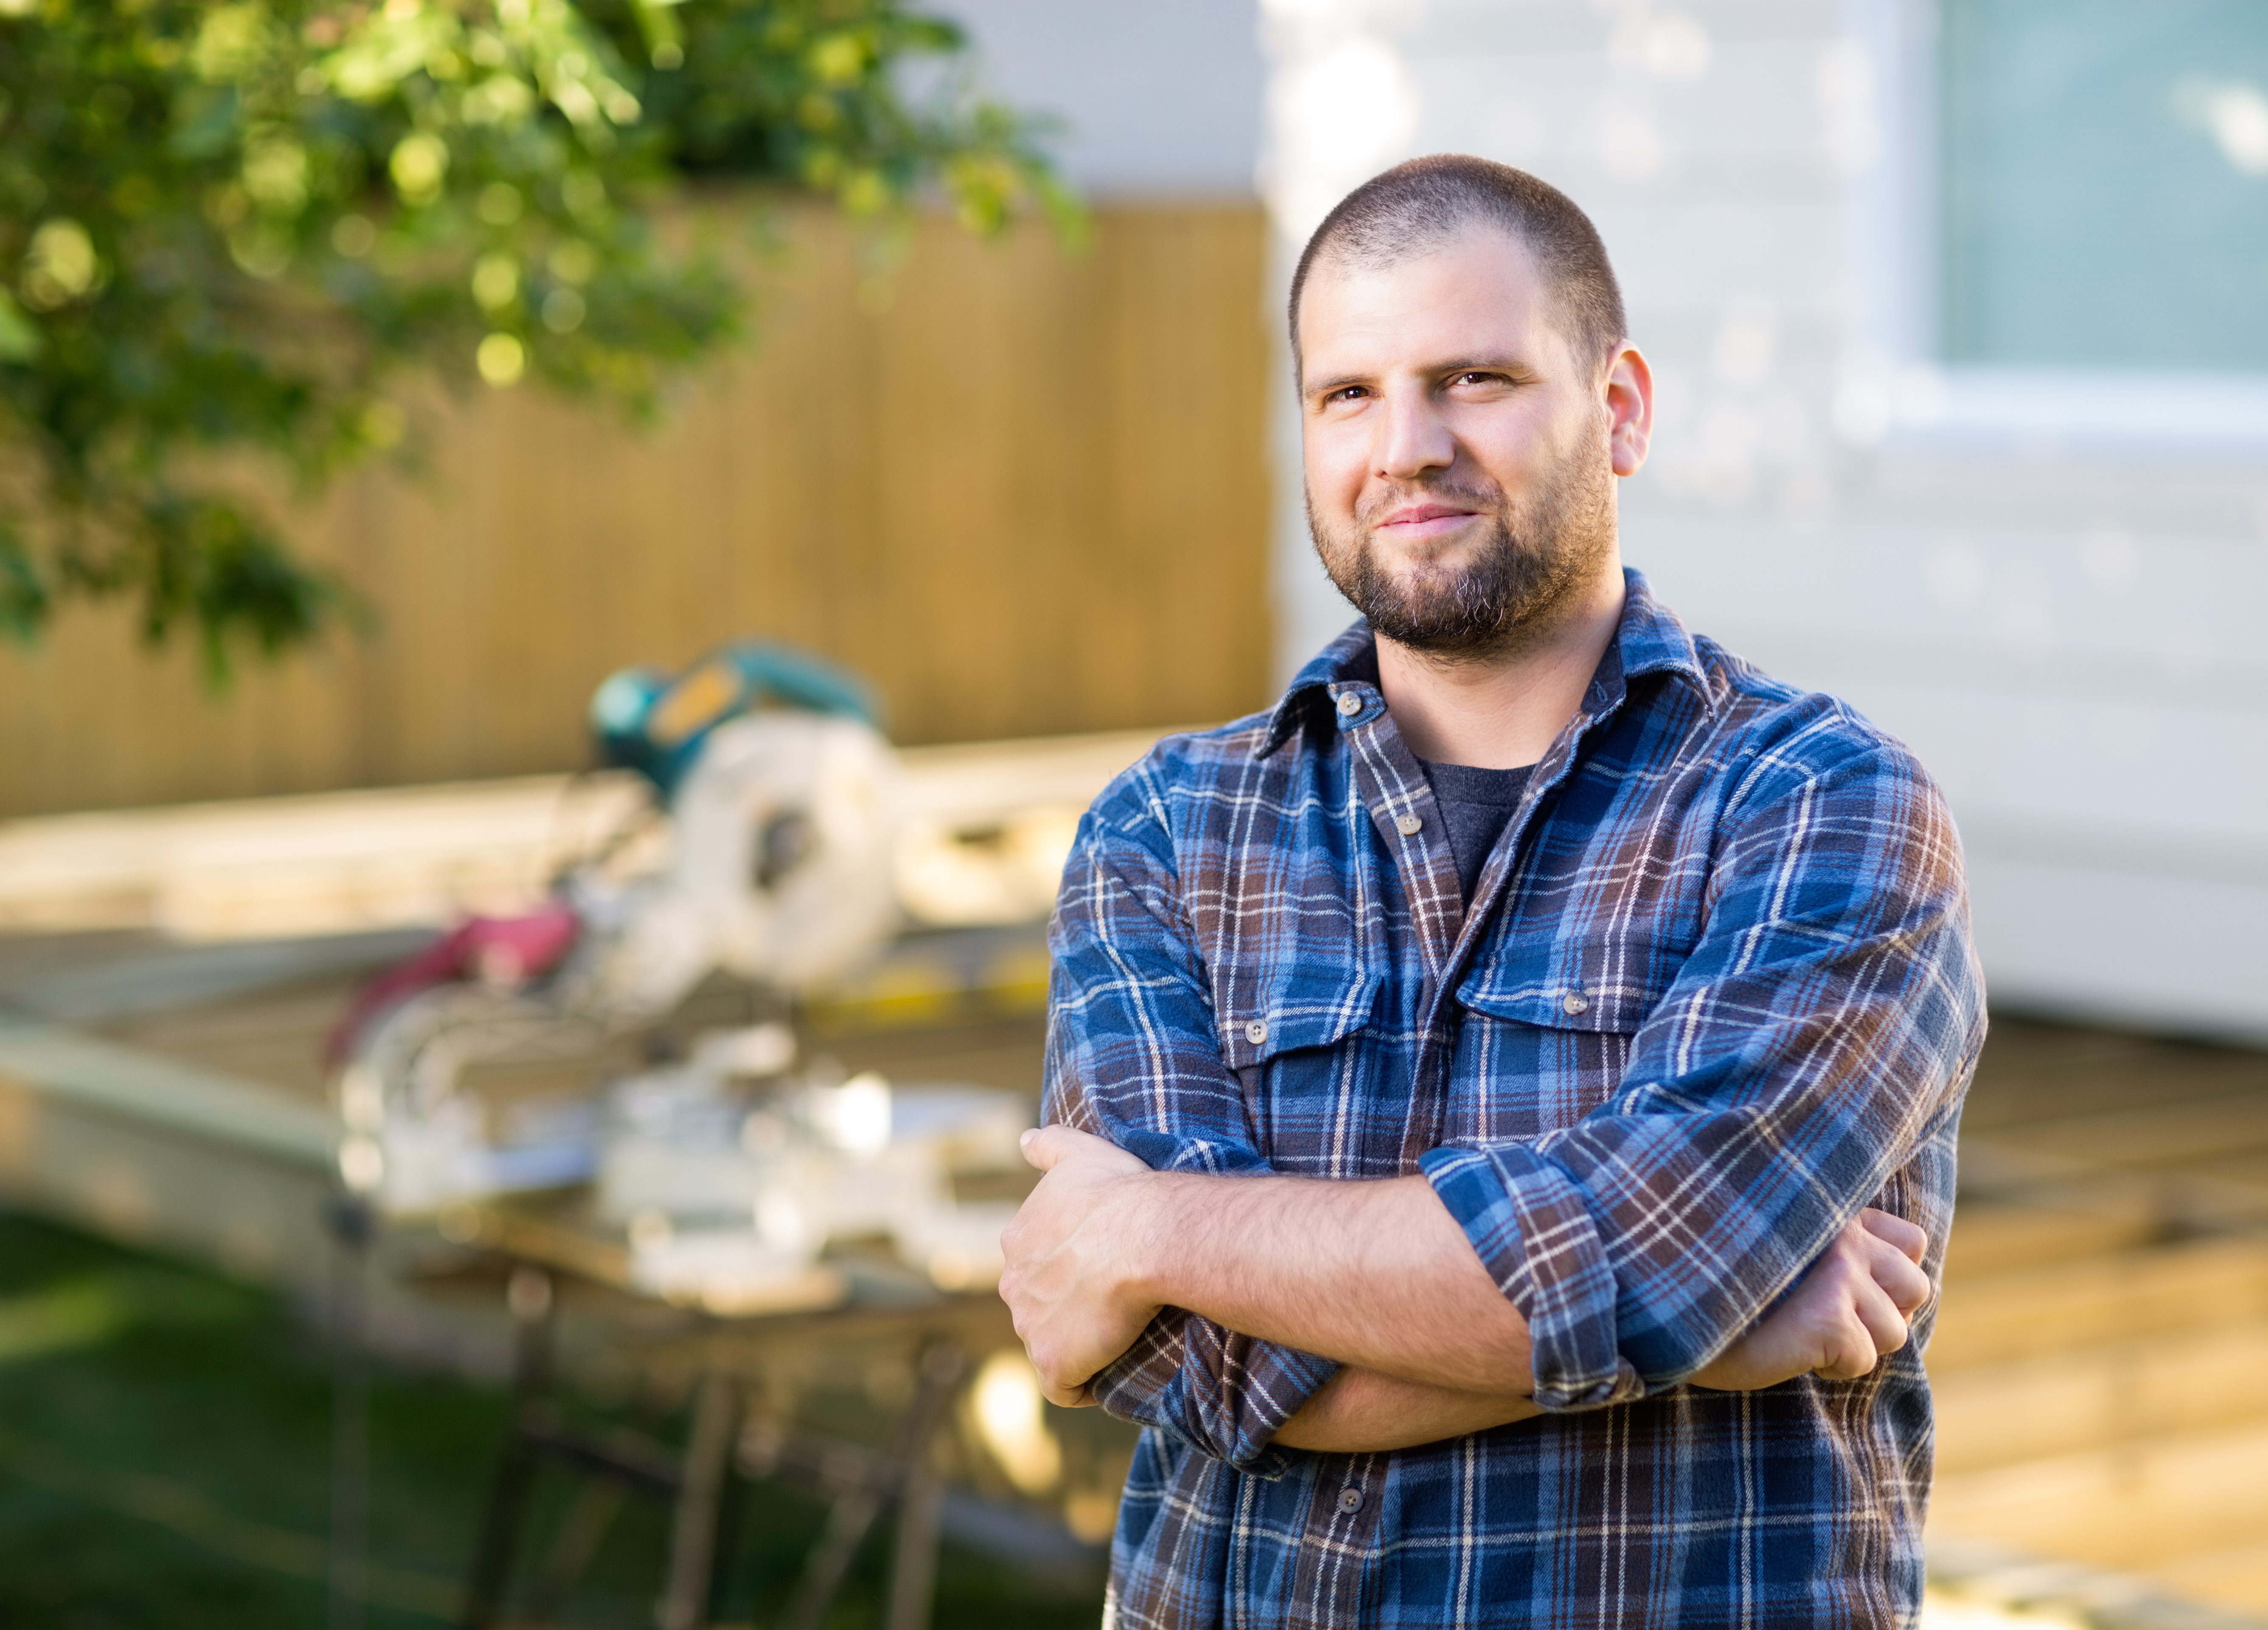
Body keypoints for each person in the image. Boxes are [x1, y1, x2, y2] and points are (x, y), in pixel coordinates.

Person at [998, 155, 1984, 1629]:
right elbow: (1182, 1364)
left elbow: (1655, 1257)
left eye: (1475, 379)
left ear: (1621, 408)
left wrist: (1148, 1233)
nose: (1407, 446)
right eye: (1348, 395)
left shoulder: (1819, 806)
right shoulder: (1169, 832)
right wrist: (1698, 1328)